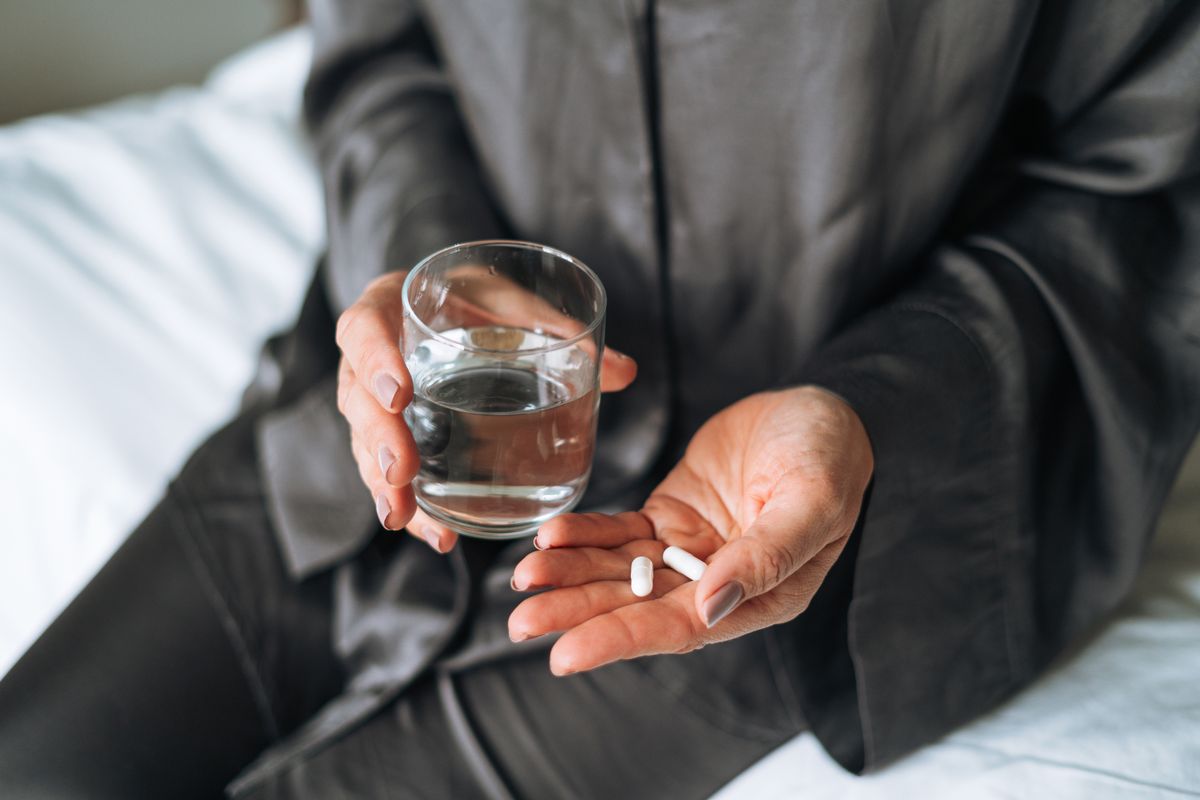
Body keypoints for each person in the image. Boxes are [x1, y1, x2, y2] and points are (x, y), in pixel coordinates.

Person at [2, 1, 1198, 797]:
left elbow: (1145, 197)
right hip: (374, 441)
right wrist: (433, 270)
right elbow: (384, 39)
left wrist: (871, 404)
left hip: (746, 563)